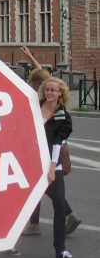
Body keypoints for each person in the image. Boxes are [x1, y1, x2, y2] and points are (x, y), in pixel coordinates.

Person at [20, 46, 81, 236]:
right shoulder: (50, 89)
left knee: (41, 185)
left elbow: (43, 78)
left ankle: (43, 222)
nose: (32, 84)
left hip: (48, 148)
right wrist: (31, 57)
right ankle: (36, 223)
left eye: (33, 81)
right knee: (41, 185)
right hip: (53, 145)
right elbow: (44, 76)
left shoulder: (42, 94)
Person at [39, 77, 74, 258]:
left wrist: (52, 168)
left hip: (53, 163)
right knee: (24, 203)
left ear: (60, 93)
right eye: (47, 89)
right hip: (31, 163)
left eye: (53, 90)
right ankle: (9, 242)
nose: (49, 93)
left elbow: (57, 143)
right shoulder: (34, 108)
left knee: (60, 204)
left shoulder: (63, 116)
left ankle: (60, 249)